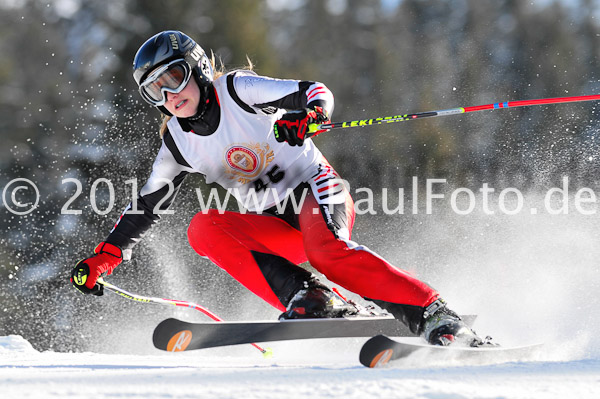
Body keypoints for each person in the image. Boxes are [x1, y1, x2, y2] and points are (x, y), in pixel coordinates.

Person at [70, 30, 485, 346]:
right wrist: (106, 257)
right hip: (276, 226)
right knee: (203, 229)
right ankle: (313, 299)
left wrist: (309, 115)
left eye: (174, 78)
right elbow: (145, 207)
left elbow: (314, 92)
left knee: (327, 251)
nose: (170, 94)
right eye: (155, 90)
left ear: (195, 66)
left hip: (317, 191)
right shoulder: (178, 142)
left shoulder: (237, 90)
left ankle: (433, 313)